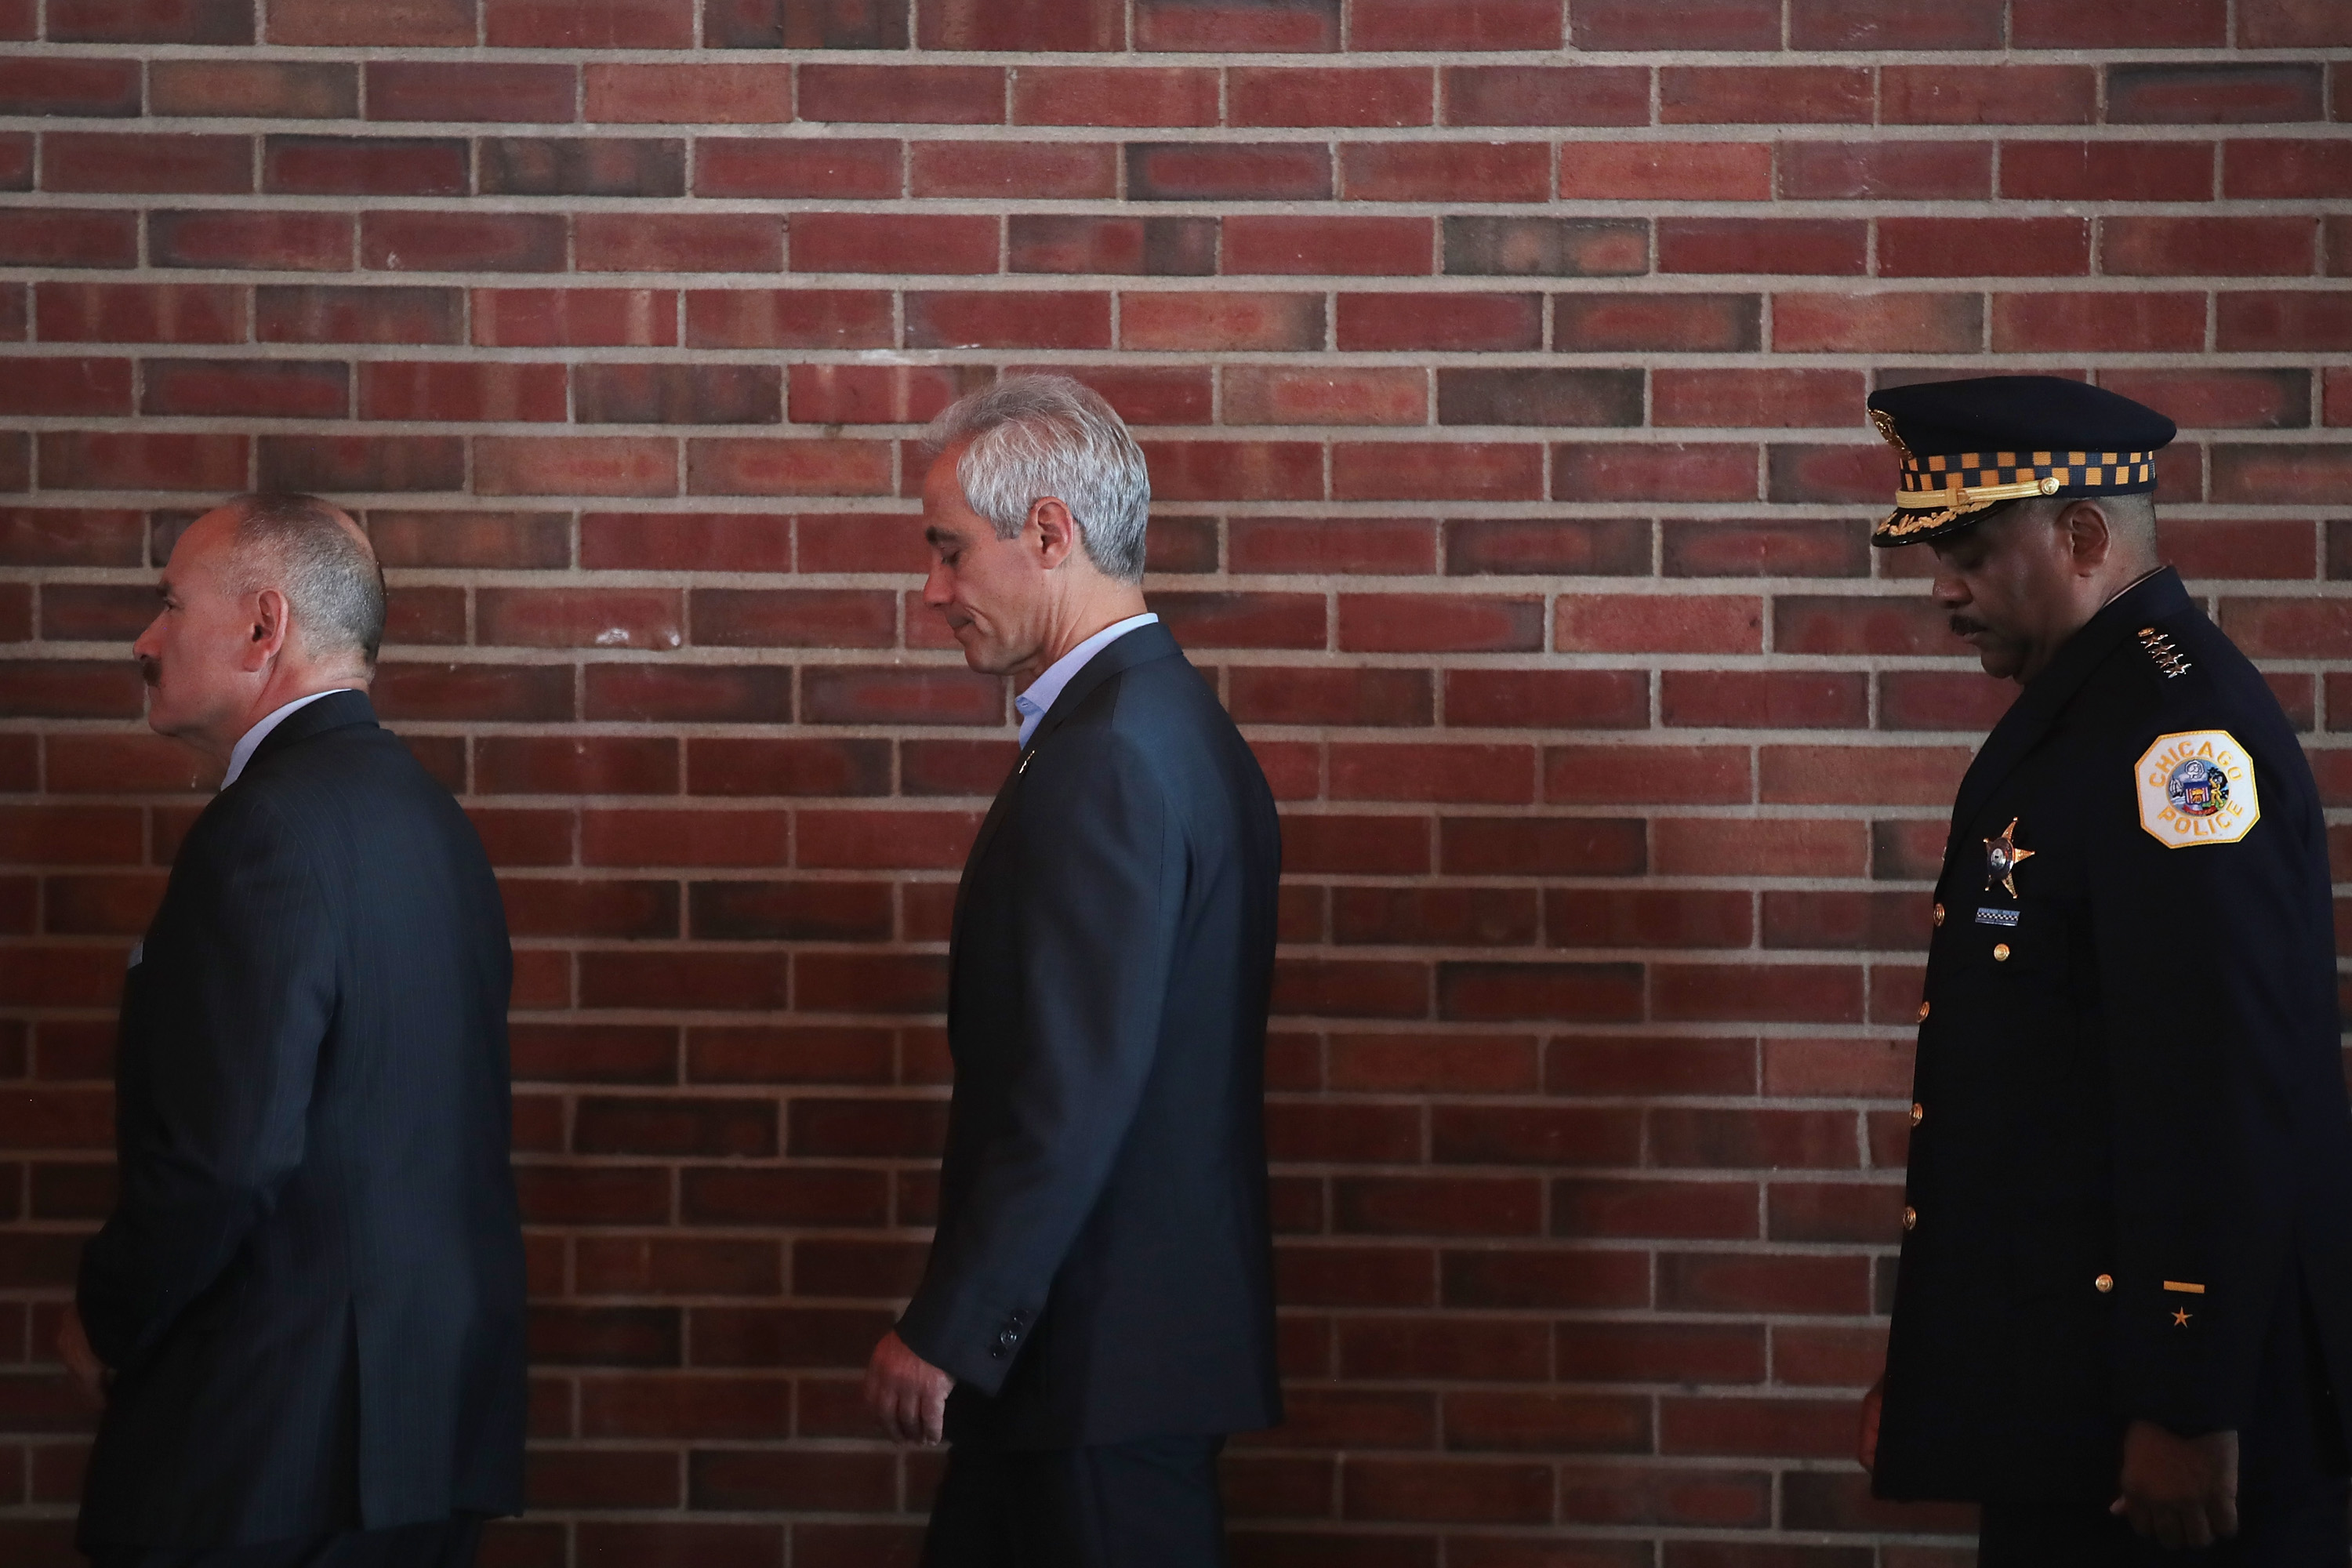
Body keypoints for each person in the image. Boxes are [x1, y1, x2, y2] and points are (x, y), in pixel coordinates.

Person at [1852, 377, 2352, 1565]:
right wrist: (1938, 1370)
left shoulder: (2178, 742)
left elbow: (2220, 1087)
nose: (1943, 587)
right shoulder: (2092, 708)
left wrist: (2188, 1398)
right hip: (2067, 1391)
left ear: (2080, 536)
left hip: (2169, 1423)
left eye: (1970, 548)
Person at [862, 376, 1283, 1565]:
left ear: (1050, 532)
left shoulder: (1111, 752)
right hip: (1107, 1356)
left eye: (949, 551)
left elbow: (1072, 1089)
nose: (932, 590)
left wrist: (950, 1329)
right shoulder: (1154, 725)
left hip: (1094, 1364)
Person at [64, 495, 526, 1567]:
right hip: (422, 1433)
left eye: (170, 605)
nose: (145, 639)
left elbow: (224, 1157)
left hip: (277, 1450)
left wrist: (105, 1315)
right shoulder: (433, 824)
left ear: (264, 628)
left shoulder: (264, 832)